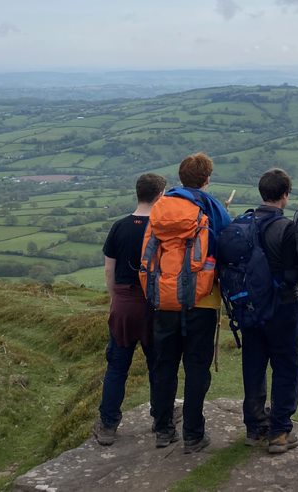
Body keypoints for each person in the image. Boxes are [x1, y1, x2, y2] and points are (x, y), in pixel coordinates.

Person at [151, 152, 231, 453]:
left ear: (181, 176)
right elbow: (227, 244)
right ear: (207, 178)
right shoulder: (211, 206)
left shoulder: (162, 206)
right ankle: (193, 434)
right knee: (197, 367)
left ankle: (163, 429)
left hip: (164, 298)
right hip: (202, 299)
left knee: (164, 365)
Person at [93, 173, 166, 446]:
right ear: (160, 195)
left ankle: (108, 425)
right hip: (153, 304)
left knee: (117, 366)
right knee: (157, 365)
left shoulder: (119, 227)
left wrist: (116, 299)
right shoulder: (161, 228)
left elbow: (108, 270)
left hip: (124, 303)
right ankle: (161, 420)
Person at [240, 168, 298, 454]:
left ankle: (255, 428)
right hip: (282, 306)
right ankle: (279, 431)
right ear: (285, 195)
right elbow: (293, 272)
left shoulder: (244, 223)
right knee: (287, 366)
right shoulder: (287, 228)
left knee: (253, 365)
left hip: (249, 306)